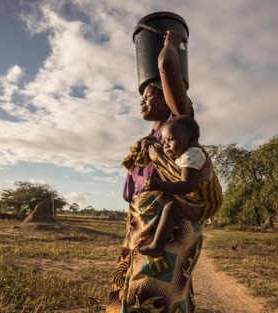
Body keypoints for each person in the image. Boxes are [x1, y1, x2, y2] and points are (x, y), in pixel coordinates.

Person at [105, 29, 219, 312]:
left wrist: (171, 43)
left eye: (149, 95)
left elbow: (167, 68)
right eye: (140, 98)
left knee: (152, 293)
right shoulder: (145, 145)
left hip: (170, 221)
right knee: (131, 286)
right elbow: (130, 193)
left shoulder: (178, 124)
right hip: (140, 225)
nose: (142, 101)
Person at [138, 115, 221, 257]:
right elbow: (162, 155)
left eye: (171, 139)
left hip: (204, 203)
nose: (166, 145)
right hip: (195, 199)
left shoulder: (192, 155)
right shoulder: (182, 154)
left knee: (171, 209)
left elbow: (187, 186)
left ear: (192, 139)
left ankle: (157, 246)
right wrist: (152, 145)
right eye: (164, 142)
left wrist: (159, 185)